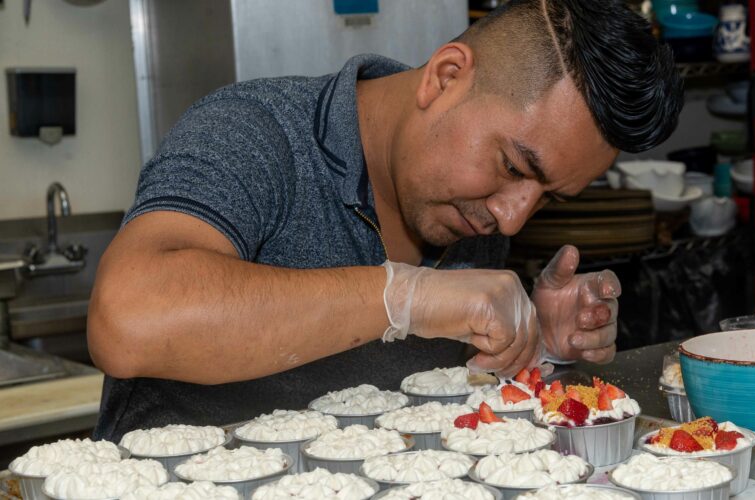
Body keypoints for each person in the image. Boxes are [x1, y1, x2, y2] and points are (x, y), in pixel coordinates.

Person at [87, 0, 683, 441]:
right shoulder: (252, 132)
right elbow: (129, 318)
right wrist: (408, 296)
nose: (511, 216)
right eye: (511, 165)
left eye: (548, 196)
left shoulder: (463, 213)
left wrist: (526, 346)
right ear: (446, 77)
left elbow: (432, 411)